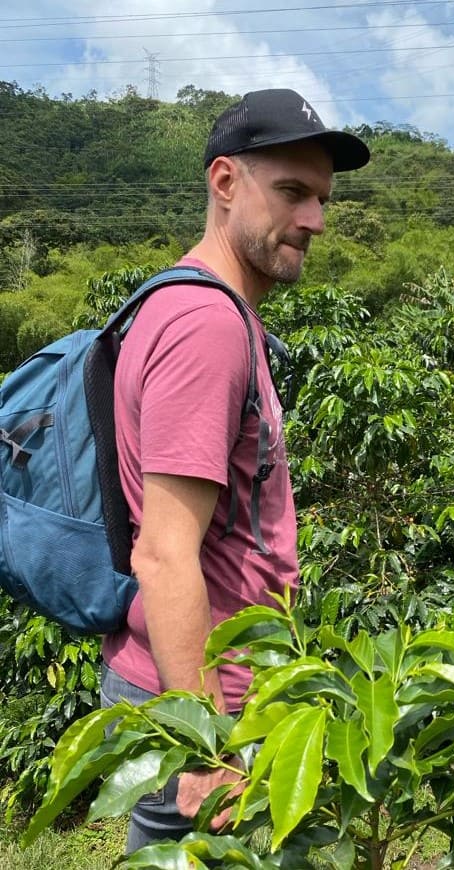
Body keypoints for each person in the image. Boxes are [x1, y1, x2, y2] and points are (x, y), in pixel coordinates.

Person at [100, 88, 370, 853]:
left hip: (197, 685)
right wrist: (207, 749)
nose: (315, 219)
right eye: (291, 191)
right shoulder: (206, 328)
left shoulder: (194, 305)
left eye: (321, 197)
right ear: (225, 183)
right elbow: (163, 550)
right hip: (205, 702)